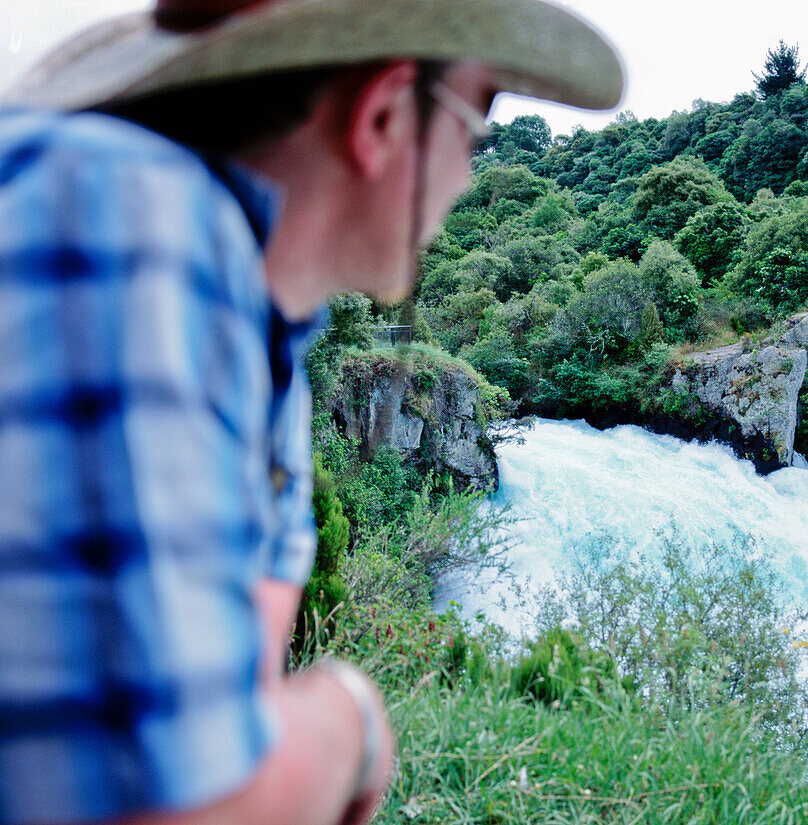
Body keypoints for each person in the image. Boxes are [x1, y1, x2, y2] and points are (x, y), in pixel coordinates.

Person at [0, 1, 622, 823]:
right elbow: (188, 805)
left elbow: (235, 706)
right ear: (384, 114)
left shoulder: (267, 318)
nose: (471, 173)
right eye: (479, 122)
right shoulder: (129, 210)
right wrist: (352, 718)